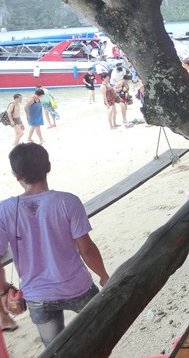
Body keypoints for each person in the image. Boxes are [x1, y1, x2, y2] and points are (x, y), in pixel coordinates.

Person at [0, 143, 109, 347]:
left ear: (16, 175)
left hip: (37, 295)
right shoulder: (68, 201)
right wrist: (103, 275)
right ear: (48, 167)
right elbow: (86, 249)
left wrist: (4, 291)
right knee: (101, 334)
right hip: (77, 286)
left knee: (54, 349)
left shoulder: (4, 209)